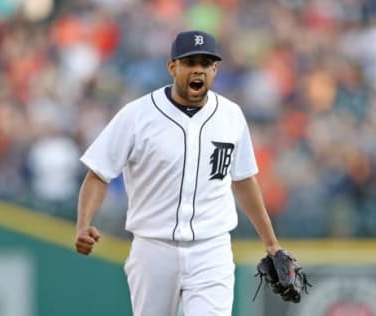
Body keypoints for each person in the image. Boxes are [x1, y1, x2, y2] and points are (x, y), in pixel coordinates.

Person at [75, 30, 288, 316]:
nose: (198, 69)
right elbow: (98, 173)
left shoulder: (231, 115)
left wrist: (272, 244)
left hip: (211, 248)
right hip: (153, 249)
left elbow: (244, 180)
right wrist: (83, 223)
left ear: (215, 69)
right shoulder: (137, 115)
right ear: (172, 67)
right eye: (190, 62)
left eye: (205, 63)